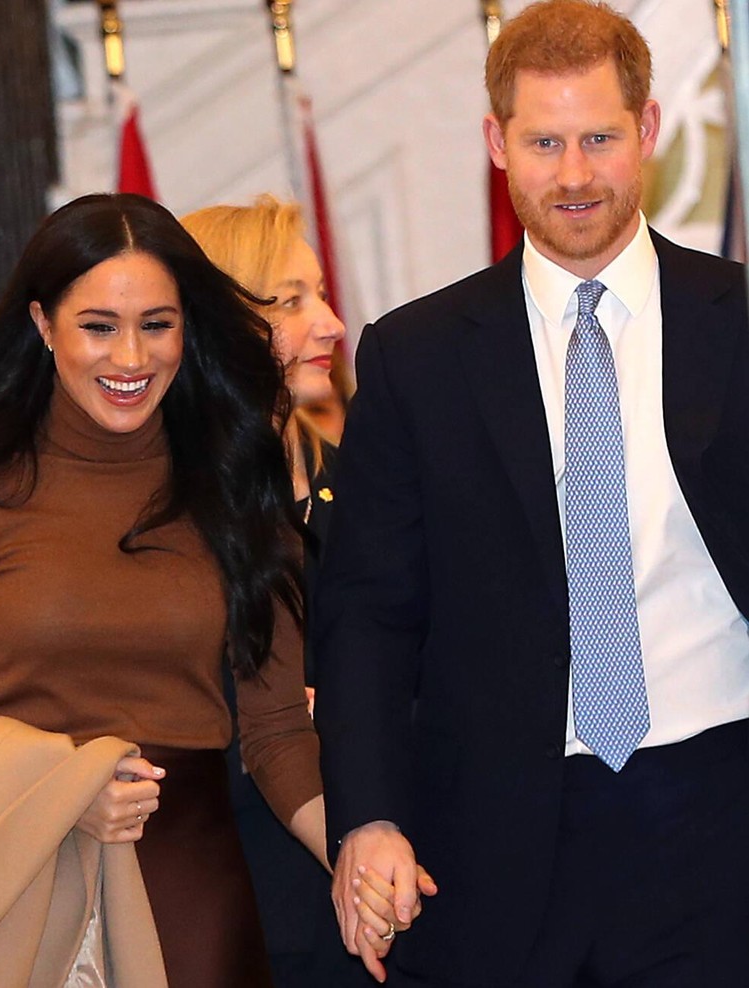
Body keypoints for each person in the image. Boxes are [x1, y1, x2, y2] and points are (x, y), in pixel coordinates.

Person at [315, 2, 749, 986]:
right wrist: (370, 814)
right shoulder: (414, 358)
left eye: (599, 137)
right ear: (495, 142)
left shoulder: (737, 321)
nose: (575, 174)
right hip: (497, 832)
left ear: (646, 132)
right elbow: (369, 611)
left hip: (719, 801)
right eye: (544, 141)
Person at [0, 192, 329, 988]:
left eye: (157, 324)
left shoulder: (232, 484)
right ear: (44, 326)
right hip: (10, 877)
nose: (130, 358)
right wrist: (56, 791)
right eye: (98, 327)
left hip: (191, 883)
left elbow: (277, 733)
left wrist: (364, 851)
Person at [182, 195, 349, 986]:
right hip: (247, 904)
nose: (331, 323)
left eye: (317, 293)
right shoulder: (169, 518)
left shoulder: (364, 480)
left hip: (385, 874)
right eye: (290, 300)